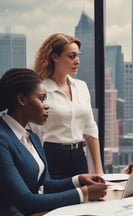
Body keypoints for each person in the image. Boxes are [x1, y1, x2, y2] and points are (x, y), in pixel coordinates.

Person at [0, 68, 107, 216]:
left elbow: (44, 185)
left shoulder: (32, 138)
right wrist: (83, 194)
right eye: (42, 99)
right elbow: (26, 202)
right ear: (22, 100)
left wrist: (78, 180)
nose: (47, 106)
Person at [32, 33, 103, 178]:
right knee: (60, 199)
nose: (77, 61)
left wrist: (99, 170)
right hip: (52, 157)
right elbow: (33, 132)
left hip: (79, 157)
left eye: (78, 56)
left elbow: (90, 129)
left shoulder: (81, 87)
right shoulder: (41, 90)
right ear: (55, 57)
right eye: (71, 56)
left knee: (86, 199)